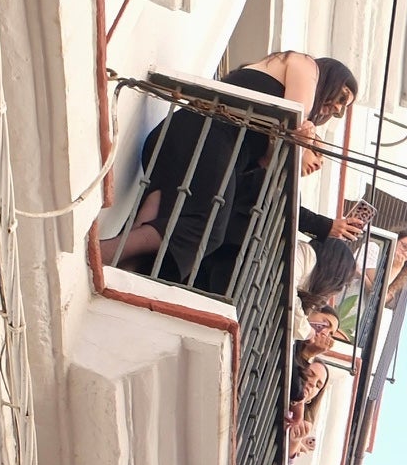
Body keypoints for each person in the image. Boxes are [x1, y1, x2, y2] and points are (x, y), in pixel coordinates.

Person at [102, 54, 359, 291]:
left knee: (164, 207)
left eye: (343, 108)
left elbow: (265, 156)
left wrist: (286, 149)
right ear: (331, 76)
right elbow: (291, 118)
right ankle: (106, 252)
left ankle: (121, 271)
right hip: (208, 134)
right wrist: (301, 135)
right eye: (341, 98)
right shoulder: (305, 65)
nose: (338, 109)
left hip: (196, 137)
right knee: (207, 227)